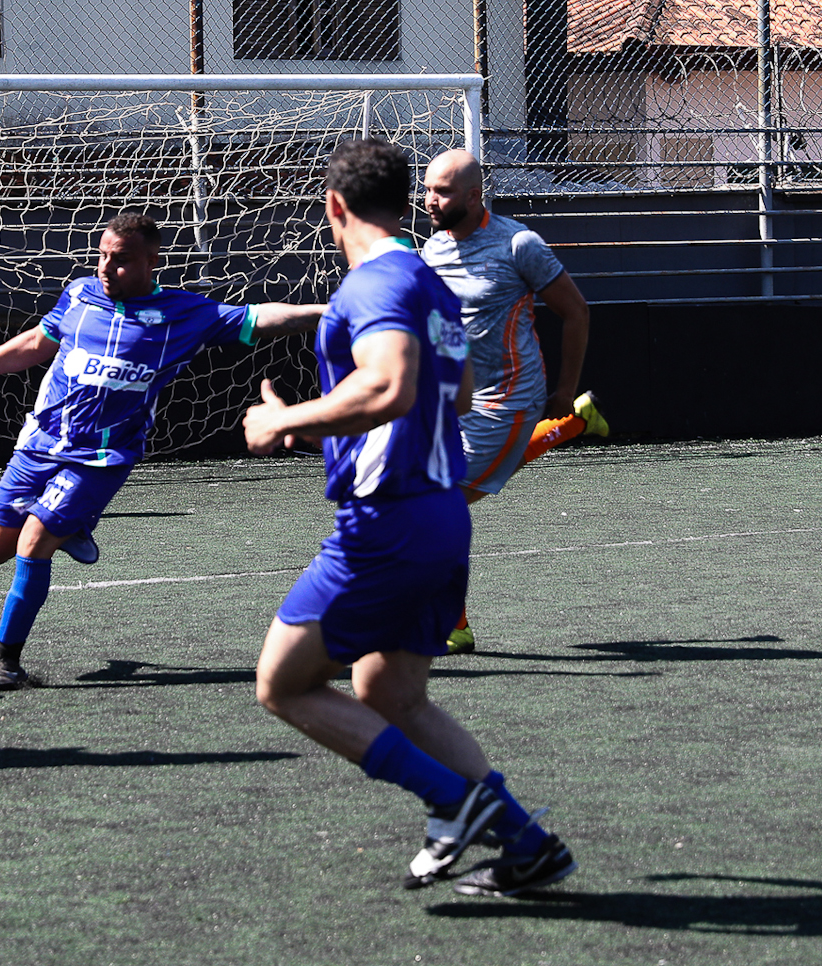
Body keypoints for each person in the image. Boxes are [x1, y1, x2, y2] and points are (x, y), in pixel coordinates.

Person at [243, 139, 576, 899]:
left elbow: (391, 387)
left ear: (334, 207)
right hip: (439, 516)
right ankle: (528, 847)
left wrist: (287, 419)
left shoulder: (376, 282)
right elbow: (452, 395)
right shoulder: (431, 281)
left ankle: (456, 802)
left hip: (385, 524)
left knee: (282, 685)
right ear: (404, 201)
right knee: (393, 697)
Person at [0, 211, 326, 694]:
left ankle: (5, 661)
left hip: (101, 459)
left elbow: (260, 316)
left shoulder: (182, 314)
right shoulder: (80, 293)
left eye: (120, 261)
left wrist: (326, 313)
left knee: (32, 542)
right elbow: (36, 343)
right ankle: (74, 526)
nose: (106, 268)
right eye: (102, 256)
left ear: (153, 262)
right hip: (39, 444)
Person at [421, 148, 607, 653]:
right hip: (452, 403)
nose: (430, 200)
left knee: (437, 506)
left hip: (510, 401)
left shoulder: (518, 244)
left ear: (475, 194)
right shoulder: (431, 251)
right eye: (427, 188)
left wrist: (564, 391)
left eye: (442, 191)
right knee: (426, 500)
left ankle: (452, 623)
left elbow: (576, 313)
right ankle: (574, 426)